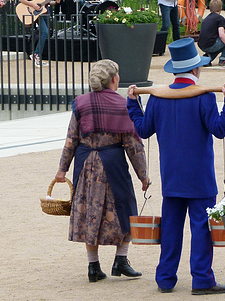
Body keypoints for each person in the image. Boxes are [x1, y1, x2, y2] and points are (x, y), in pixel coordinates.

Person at [127, 38, 225, 295]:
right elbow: (219, 130)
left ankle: (165, 278)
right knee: (201, 228)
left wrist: (133, 103)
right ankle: (202, 279)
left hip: (171, 176)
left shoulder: (157, 97)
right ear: (196, 70)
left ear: (175, 70)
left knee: (171, 228)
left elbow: (143, 130)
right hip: (199, 176)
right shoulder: (204, 96)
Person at [54, 59, 150, 283]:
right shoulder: (122, 105)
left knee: (90, 212)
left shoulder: (81, 103)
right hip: (113, 164)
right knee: (126, 208)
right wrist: (143, 175)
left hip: (85, 164)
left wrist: (62, 169)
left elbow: (71, 139)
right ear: (115, 80)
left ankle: (93, 266)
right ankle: (121, 260)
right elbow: (133, 145)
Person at [19, 0, 60, 67]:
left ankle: (38, 56)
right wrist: (33, 5)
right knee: (45, 32)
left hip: (45, 12)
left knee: (46, 33)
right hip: (36, 14)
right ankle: (36, 54)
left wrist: (57, 1)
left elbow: (48, 1)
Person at [198, 0, 225, 66]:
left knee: (221, 42)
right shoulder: (220, 18)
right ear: (220, 8)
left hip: (202, 44)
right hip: (211, 44)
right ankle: (224, 59)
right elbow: (221, 35)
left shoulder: (206, 19)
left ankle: (208, 58)